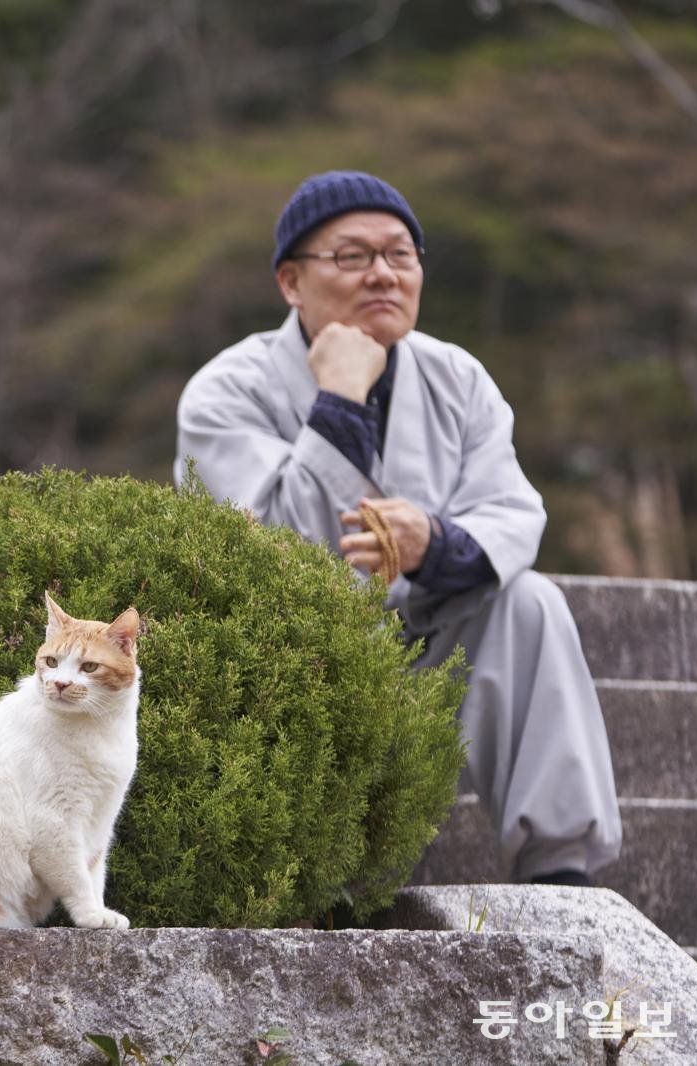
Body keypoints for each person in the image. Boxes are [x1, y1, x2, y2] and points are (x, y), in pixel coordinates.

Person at [174, 171, 620, 886]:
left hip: (425, 639)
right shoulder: (226, 391)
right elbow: (275, 551)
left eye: (401, 255)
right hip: (291, 662)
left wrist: (433, 546)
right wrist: (341, 398)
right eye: (352, 256)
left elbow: (512, 513)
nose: (383, 273)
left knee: (529, 602)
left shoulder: (459, 377)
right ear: (291, 281)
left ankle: (559, 874)